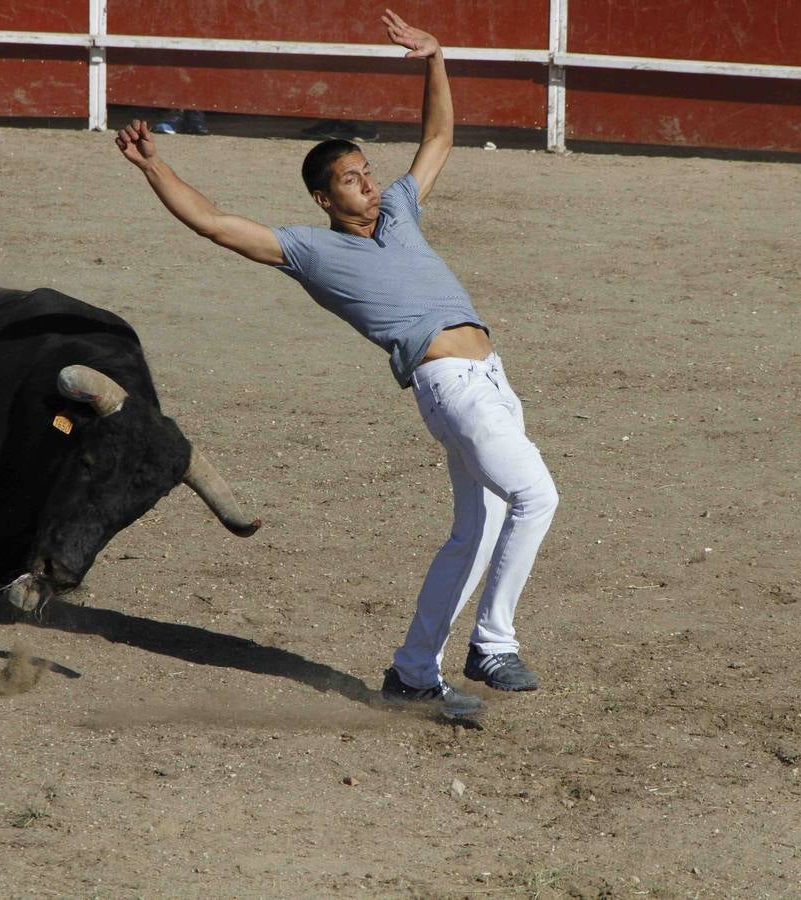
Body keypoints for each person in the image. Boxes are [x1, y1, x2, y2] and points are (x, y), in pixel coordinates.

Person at [114, 9, 557, 718]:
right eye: (351, 180)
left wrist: (436, 58)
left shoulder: (401, 211)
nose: (368, 184)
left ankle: (413, 672)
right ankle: (492, 644)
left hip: (494, 380)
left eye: (367, 171)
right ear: (325, 198)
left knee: (478, 530)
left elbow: (439, 136)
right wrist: (155, 164)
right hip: (449, 384)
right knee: (537, 497)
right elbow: (214, 222)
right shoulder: (310, 252)